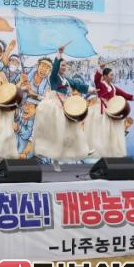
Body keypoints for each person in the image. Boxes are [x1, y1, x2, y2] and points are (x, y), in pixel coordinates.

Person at [32, 43, 96, 171]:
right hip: (55, 105)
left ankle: (83, 149)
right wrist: (59, 54)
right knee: (57, 134)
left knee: (75, 128)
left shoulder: (66, 79)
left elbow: (78, 85)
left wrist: (92, 89)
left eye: (65, 65)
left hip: (65, 105)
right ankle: (53, 159)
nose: (64, 67)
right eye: (62, 65)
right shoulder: (54, 77)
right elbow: (55, 67)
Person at [85, 61, 134, 158]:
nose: (113, 77)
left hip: (111, 111)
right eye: (111, 75)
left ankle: (110, 154)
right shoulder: (100, 84)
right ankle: (98, 152)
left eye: (113, 75)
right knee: (101, 132)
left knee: (112, 134)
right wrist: (100, 69)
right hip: (101, 111)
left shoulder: (113, 87)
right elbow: (96, 79)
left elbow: (125, 95)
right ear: (105, 76)